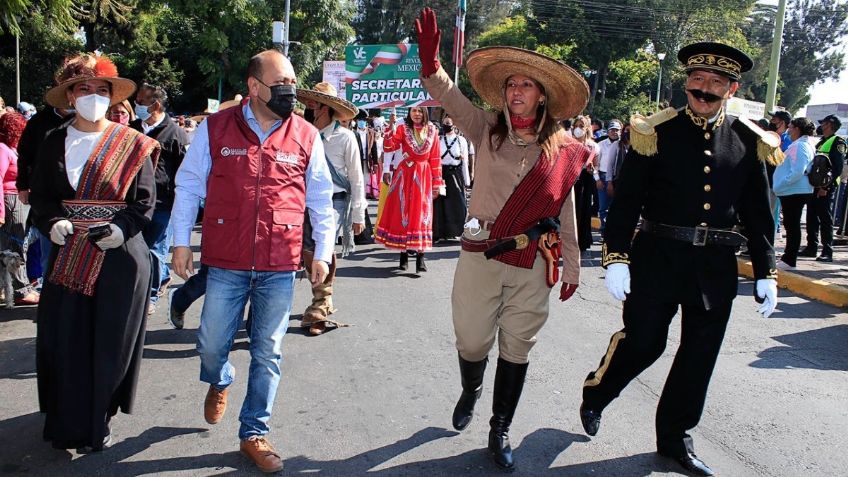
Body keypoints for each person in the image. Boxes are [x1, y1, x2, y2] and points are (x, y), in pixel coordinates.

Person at [580, 42, 781, 477]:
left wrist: (767, 270)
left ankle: (675, 439)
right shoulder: (656, 131)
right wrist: (616, 257)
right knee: (645, 341)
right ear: (686, 82)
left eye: (714, 84)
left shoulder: (750, 140)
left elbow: (759, 213)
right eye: (697, 81)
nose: (703, 91)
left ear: (732, 88)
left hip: (715, 266)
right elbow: (627, 201)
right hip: (658, 257)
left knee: (698, 356)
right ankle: (598, 392)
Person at [416, 8, 590, 471]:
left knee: (518, 345)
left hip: (533, 259)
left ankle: (499, 427)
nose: (516, 91)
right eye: (511, 84)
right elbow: (449, 97)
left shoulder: (564, 150)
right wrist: (431, 63)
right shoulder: (484, 129)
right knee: (472, 341)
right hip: (481, 254)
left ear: (542, 97)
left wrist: (570, 266)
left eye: (526, 85)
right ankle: (471, 386)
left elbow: (567, 211)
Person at [170, 49, 334, 473]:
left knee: (269, 351)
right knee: (210, 344)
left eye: (293, 84)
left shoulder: (305, 134)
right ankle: (220, 378)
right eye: (281, 84)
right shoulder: (215, 128)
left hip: (280, 262)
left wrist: (325, 251)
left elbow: (320, 199)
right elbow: (188, 185)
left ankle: (254, 433)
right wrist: (180, 242)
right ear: (254, 86)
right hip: (226, 261)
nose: (290, 92)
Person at [29, 53, 160, 451]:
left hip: (119, 256)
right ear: (70, 95)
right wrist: (51, 222)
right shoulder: (53, 141)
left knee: (109, 342)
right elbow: (42, 199)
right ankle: (66, 422)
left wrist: (122, 229)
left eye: (101, 90)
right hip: (68, 252)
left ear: (112, 96)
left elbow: (145, 202)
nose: (92, 96)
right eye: (83, 89)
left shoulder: (132, 144)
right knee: (64, 338)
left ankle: (98, 419)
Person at [297, 82, 365, 335]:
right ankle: (323, 295)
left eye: (315, 104)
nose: (310, 108)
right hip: (305, 200)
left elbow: (357, 177)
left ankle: (320, 302)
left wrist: (358, 215)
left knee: (321, 245)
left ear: (325, 107)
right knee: (307, 248)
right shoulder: (302, 134)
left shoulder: (345, 137)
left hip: (335, 201)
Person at [131, 83, 189, 314]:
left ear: (155, 105)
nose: (137, 105)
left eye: (141, 101)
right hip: (133, 203)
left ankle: (150, 296)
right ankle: (134, 291)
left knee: (155, 250)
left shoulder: (175, 133)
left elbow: (184, 173)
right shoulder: (131, 128)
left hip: (162, 205)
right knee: (133, 249)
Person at [374, 104, 444, 273]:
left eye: (420, 111)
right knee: (404, 213)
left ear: (425, 112)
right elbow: (389, 147)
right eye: (414, 110)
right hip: (405, 174)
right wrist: (390, 126)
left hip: (424, 175)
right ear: (409, 113)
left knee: (422, 215)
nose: (417, 114)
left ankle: (421, 257)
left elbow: (435, 158)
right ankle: (403, 255)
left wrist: (437, 184)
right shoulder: (402, 129)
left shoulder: (432, 130)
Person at [0, 112, 39, 305]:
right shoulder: (3, 149)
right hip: (10, 202)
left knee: (16, 246)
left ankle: (15, 289)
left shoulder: (12, 149)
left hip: (17, 202)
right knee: (14, 249)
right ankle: (21, 290)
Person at [799, 114, 845, 262]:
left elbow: (837, 168)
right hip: (814, 185)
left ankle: (827, 251)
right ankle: (811, 247)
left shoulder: (837, 142)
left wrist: (826, 186)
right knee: (811, 217)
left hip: (825, 187)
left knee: (825, 219)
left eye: (824, 123)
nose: (822, 126)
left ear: (830, 125)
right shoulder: (822, 142)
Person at [773, 117, 816, 269]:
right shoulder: (803, 144)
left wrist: (783, 183)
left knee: (792, 225)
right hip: (795, 190)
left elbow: (798, 170)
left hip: (794, 191)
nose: (789, 130)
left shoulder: (800, 146)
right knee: (791, 224)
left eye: (791, 127)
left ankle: (789, 260)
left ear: (797, 129)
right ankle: (788, 258)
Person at [432, 115, 470, 241]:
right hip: (441, 174)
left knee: (458, 204)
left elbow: (465, 162)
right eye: (444, 123)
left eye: (448, 123)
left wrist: (467, 180)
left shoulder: (461, 140)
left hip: (456, 175)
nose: (446, 125)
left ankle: (457, 231)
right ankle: (439, 233)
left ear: (454, 124)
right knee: (439, 204)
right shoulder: (438, 139)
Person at [571, 115, 599, 251]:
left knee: (583, 209)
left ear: (587, 128)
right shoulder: (568, 143)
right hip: (569, 179)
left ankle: (582, 240)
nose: (578, 129)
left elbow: (596, 166)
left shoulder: (593, 146)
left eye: (581, 126)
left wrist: (592, 170)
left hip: (585, 180)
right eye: (575, 126)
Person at [594, 119, 621, 236]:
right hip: (603, 177)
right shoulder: (600, 145)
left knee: (616, 207)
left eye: (617, 130)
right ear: (608, 131)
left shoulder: (623, 145)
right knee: (603, 207)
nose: (614, 132)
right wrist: (597, 179)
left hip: (618, 178)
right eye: (612, 130)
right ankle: (605, 231)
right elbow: (594, 164)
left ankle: (614, 230)